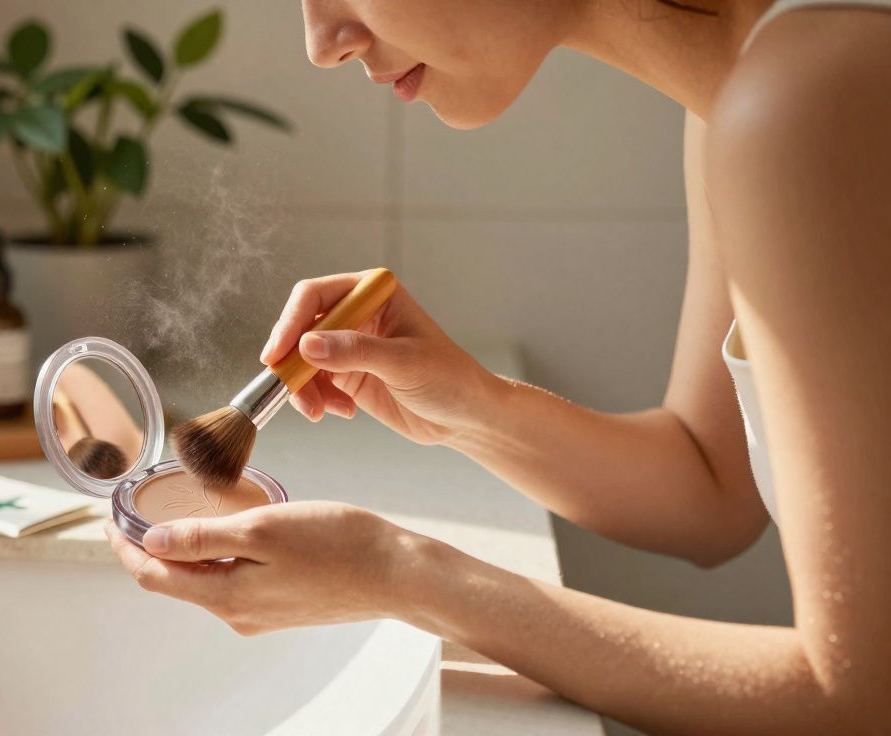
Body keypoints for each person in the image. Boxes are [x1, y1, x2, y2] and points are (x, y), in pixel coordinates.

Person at [107, 1, 891, 731]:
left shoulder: (805, 100)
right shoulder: (742, 89)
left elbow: (859, 697)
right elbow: (710, 490)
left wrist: (402, 574)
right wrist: (469, 403)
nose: (322, 43)